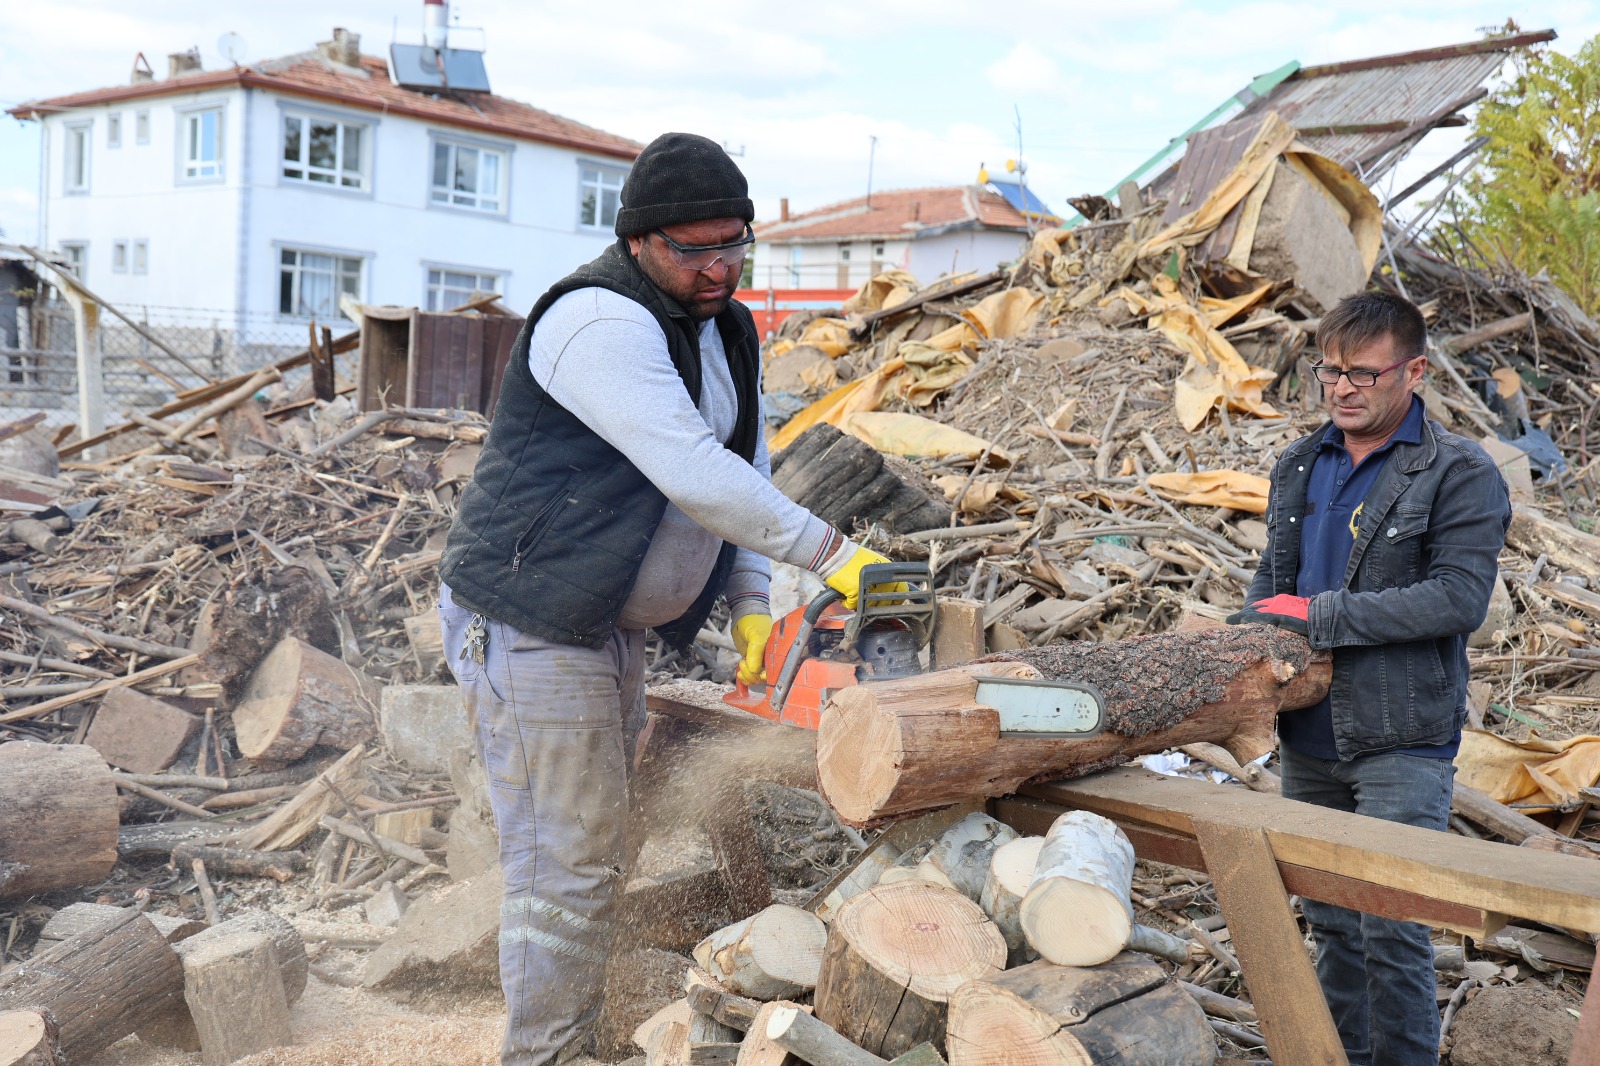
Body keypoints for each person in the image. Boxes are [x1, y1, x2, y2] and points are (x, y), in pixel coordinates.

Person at [435, 132, 893, 1066]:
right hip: (530, 620)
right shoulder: (599, 322)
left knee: (596, 845)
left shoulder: (725, 324)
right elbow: (689, 471)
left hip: (603, 624)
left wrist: (754, 595)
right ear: (641, 240)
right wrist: (836, 555)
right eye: (697, 250)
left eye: (736, 245)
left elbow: (745, 460)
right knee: (563, 859)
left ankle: (576, 1037)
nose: (722, 267)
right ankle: (545, 1055)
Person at [1227, 291, 1511, 1066]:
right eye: (1329, 372)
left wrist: (1319, 618)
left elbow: (1459, 597)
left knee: (1392, 931)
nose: (1343, 388)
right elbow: (1268, 585)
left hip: (1401, 741)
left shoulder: (1458, 472)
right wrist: (1240, 641)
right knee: (1333, 927)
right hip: (1310, 737)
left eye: (1363, 374)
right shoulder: (1300, 464)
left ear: (1413, 372)